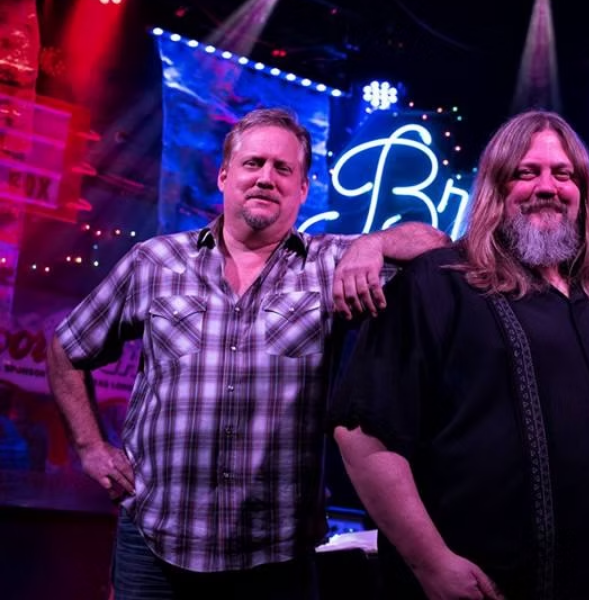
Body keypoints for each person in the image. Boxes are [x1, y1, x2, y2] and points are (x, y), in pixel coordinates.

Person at [45, 107, 448, 600]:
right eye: (253, 163)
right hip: (155, 541)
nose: (266, 178)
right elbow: (67, 346)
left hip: (275, 556)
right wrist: (90, 447)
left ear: (303, 189)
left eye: (284, 169)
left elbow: (436, 245)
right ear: (224, 175)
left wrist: (373, 243)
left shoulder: (330, 264)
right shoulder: (154, 261)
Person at [330, 110, 589, 600]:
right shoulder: (439, 281)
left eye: (563, 174)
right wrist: (431, 563)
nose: (547, 186)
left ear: (582, 191)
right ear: (496, 186)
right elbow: (362, 433)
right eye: (526, 172)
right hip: (496, 585)